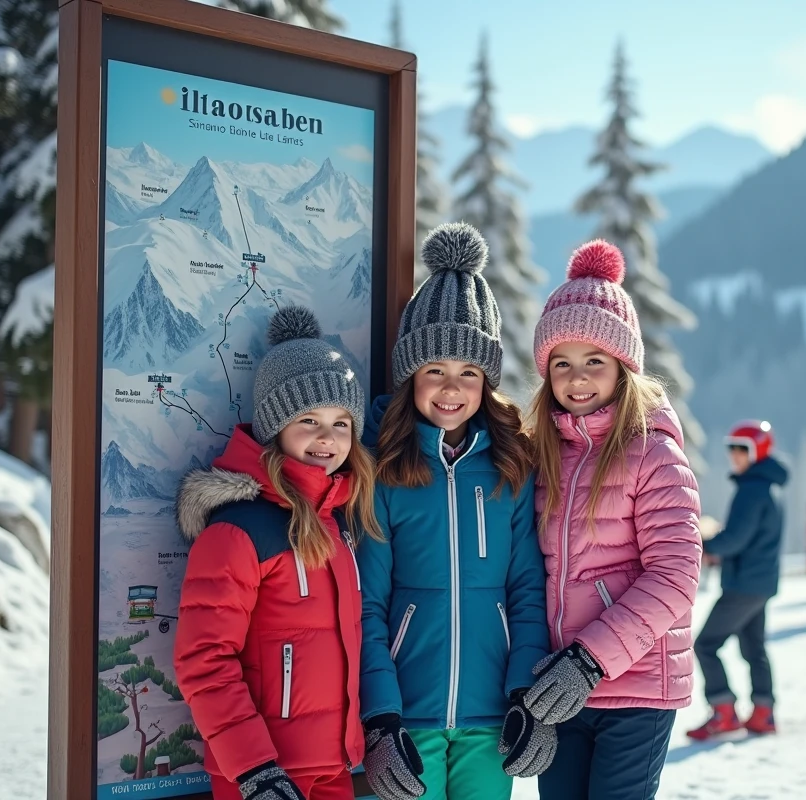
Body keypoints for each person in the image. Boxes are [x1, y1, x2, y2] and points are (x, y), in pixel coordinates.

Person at [356, 224, 553, 800]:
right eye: (435, 370)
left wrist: (526, 696)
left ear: (487, 382)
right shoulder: (383, 470)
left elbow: (527, 590)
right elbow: (367, 604)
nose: (451, 388)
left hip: (491, 720)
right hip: (408, 720)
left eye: (469, 372)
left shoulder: (510, 467)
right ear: (410, 376)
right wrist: (381, 718)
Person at [173, 307, 381, 800]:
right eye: (308, 420)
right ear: (275, 427)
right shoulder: (239, 530)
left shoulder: (339, 523)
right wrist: (254, 770)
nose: (327, 437)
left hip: (334, 767)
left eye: (341, 423)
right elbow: (204, 657)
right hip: (263, 776)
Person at [523, 240, 702, 799]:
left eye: (594, 362)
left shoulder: (653, 451)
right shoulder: (541, 453)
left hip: (636, 687)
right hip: (559, 688)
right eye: (562, 364)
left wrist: (589, 660)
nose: (577, 378)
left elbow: (675, 576)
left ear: (623, 366)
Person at [688, 420, 787, 739]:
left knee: (706, 644)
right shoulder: (768, 487)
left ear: (759, 450)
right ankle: (763, 713)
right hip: (760, 582)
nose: (734, 454)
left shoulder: (752, 489)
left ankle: (724, 713)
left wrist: (700, 542)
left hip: (744, 583)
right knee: (754, 648)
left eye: (741, 448)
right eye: (730, 447)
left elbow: (735, 540)